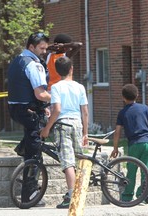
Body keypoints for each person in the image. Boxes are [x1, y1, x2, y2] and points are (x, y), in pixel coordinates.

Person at [7, 32, 51, 205]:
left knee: (31, 139)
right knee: (35, 154)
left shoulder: (17, 60)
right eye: (41, 48)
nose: (44, 52)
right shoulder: (33, 65)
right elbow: (40, 93)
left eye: (46, 49)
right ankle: (29, 195)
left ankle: (23, 147)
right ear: (31, 47)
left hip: (16, 109)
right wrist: (55, 99)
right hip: (29, 111)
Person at [40, 56, 89, 208]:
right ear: (71, 69)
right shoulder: (80, 87)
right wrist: (85, 132)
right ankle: (80, 193)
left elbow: (57, 110)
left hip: (63, 125)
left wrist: (47, 128)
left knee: (68, 162)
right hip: (77, 124)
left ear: (57, 71)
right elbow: (85, 112)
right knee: (79, 159)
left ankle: (72, 196)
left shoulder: (56, 87)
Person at [110, 84, 148, 201]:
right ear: (137, 95)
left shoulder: (122, 112)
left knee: (132, 170)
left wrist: (115, 148)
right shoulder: (144, 108)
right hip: (146, 143)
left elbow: (117, 131)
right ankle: (142, 195)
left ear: (123, 98)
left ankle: (127, 196)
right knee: (147, 170)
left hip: (134, 144)